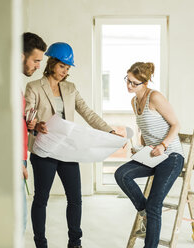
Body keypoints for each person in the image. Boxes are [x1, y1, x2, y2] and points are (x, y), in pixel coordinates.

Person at [24, 42, 118, 248]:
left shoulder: (70, 88)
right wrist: (36, 125)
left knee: (75, 199)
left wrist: (109, 131)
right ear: (51, 64)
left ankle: (75, 243)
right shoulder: (33, 87)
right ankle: (40, 243)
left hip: (67, 150)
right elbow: (27, 116)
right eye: (62, 67)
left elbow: (88, 113)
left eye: (68, 68)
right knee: (41, 199)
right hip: (44, 150)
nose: (65, 72)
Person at [114, 62, 185, 248]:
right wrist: (140, 147)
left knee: (155, 204)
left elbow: (176, 124)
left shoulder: (155, 97)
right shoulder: (134, 101)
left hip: (171, 156)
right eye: (127, 80)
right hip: (153, 155)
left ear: (145, 83)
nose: (129, 85)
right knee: (121, 174)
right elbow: (146, 128)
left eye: (134, 83)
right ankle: (144, 212)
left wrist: (163, 145)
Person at [21, 32, 47, 232]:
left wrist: (31, 123)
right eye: (36, 60)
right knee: (19, 223)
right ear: (22, 56)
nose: (38, 66)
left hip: (21, 158)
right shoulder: (15, 86)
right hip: (15, 160)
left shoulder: (15, 85)